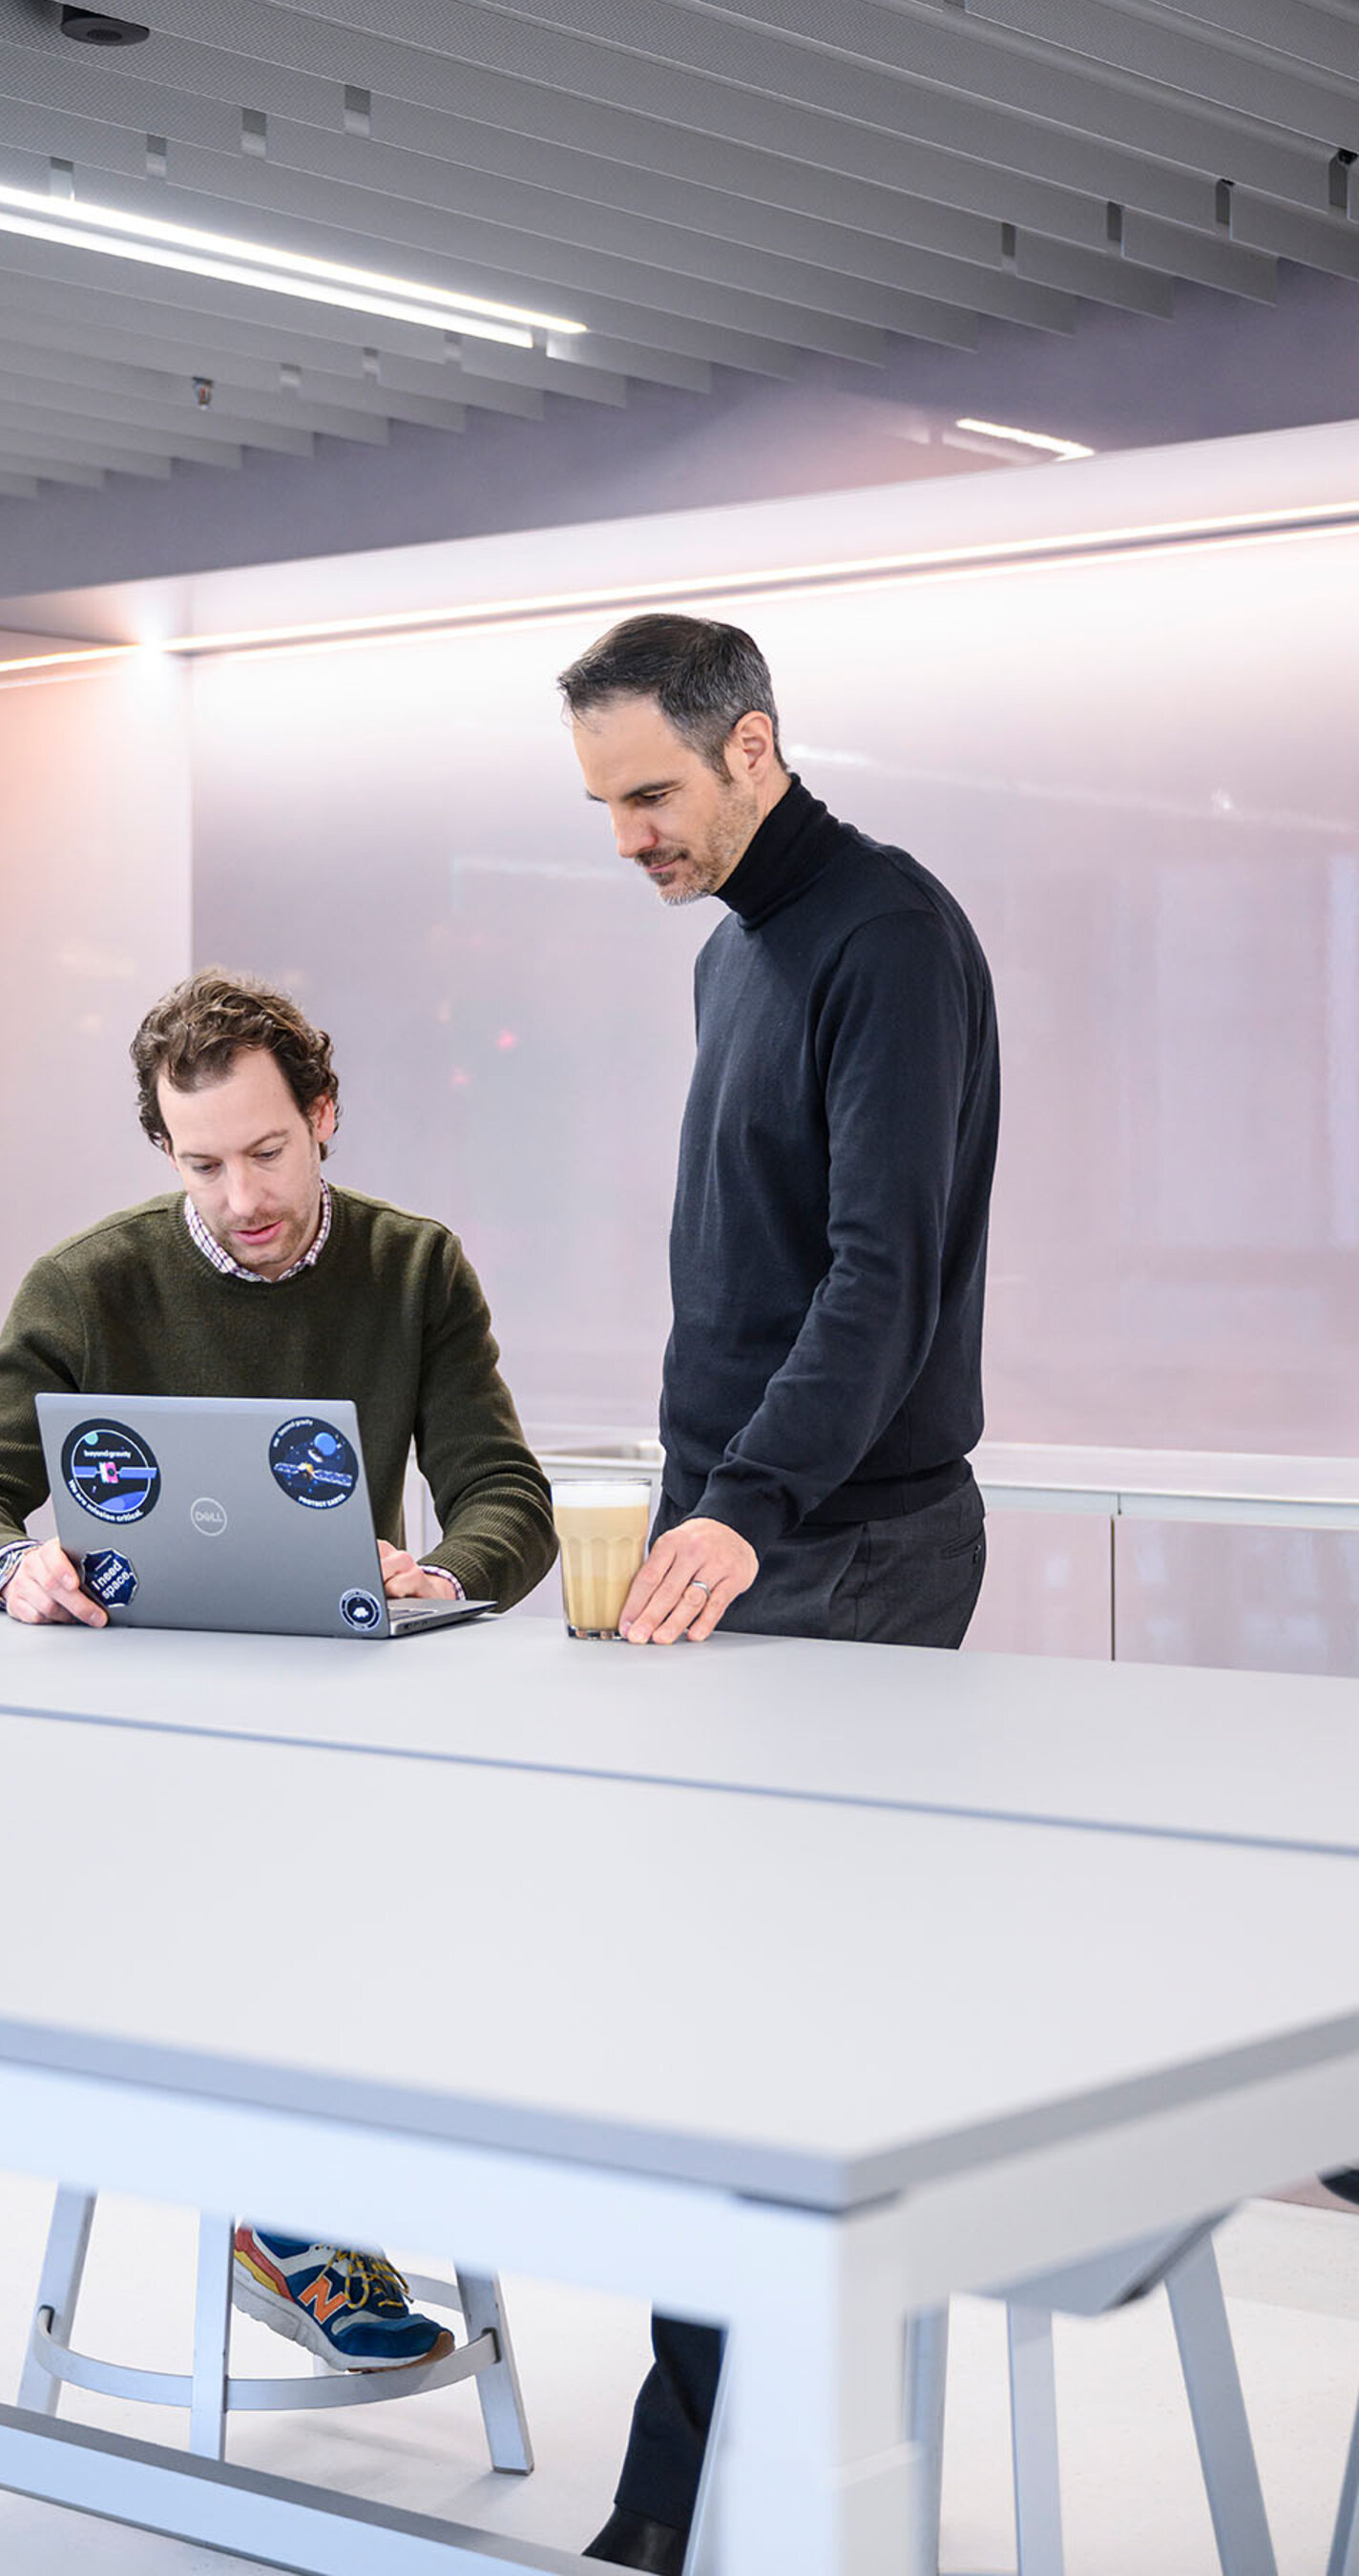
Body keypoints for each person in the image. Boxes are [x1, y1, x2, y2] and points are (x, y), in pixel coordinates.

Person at [0, 967, 556, 2372]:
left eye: (268, 1152)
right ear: (164, 1149)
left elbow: (509, 1500)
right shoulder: (89, 1283)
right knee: (280, 1905)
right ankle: (294, 2218)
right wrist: (18, 1569)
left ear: (325, 1117)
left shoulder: (413, 1267)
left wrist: (433, 1570)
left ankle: (307, 2206)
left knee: (428, 1909)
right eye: (201, 1163)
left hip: (350, 1740)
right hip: (139, 1763)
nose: (242, 1196)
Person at [559, 613, 1000, 2571]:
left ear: (756, 746)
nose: (630, 836)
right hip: (735, 1538)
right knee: (706, 2047)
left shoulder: (884, 938)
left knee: (762, 2055)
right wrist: (696, 1512)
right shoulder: (741, 953)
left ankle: (688, 2514)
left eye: (653, 792)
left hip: (846, 1547)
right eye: (604, 805)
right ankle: (691, 2500)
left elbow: (877, 1279)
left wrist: (738, 1505)